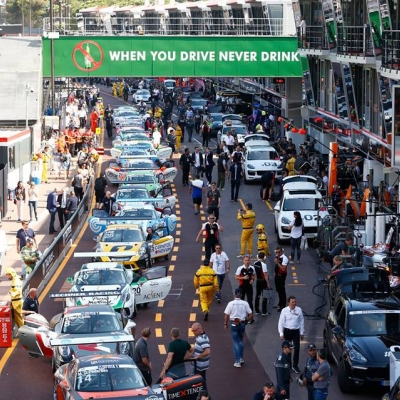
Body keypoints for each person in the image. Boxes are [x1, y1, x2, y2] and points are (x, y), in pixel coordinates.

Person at [224, 288, 253, 368]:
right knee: (241, 341)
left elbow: (226, 315)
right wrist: (246, 321)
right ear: (241, 295)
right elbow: (251, 314)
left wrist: (225, 323)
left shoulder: (231, 303)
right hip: (242, 323)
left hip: (233, 323)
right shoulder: (245, 303)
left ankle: (237, 361)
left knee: (235, 342)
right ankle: (241, 358)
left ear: (234, 294)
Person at [278, 296, 305, 374]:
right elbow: (281, 322)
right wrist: (281, 333)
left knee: (297, 348)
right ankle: (288, 365)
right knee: (287, 349)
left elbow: (301, 321)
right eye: (293, 302)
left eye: (295, 302)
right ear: (288, 303)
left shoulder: (299, 310)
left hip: (296, 331)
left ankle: (295, 365)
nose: (294, 303)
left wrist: (302, 332)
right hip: (287, 331)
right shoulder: (284, 311)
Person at [188, 322, 211, 388]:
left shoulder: (202, 339)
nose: (193, 332)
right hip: (202, 365)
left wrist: (197, 357)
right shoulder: (202, 337)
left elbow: (207, 351)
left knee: (199, 382)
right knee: (202, 381)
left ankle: (203, 395)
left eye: (194, 331)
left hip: (200, 366)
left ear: (199, 329)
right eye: (192, 331)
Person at [254, 252, 271, 316]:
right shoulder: (264, 265)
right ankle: (264, 311)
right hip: (263, 281)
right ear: (264, 257)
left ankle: (257, 310)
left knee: (257, 295)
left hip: (258, 280)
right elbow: (265, 275)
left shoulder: (255, 263)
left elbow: (255, 272)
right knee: (265, 296)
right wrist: (268, 283)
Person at [274, 246, 289, 311]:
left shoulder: (284, 258)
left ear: (282, 251)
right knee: (278, 290)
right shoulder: (277, 257)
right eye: (276, 252)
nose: (277, 253)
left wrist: (277, 263)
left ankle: (282, 305)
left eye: (279, 252)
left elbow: (283, 269)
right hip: (277, 275)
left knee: (281, 290)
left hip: (281, 276)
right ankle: (280, 303)